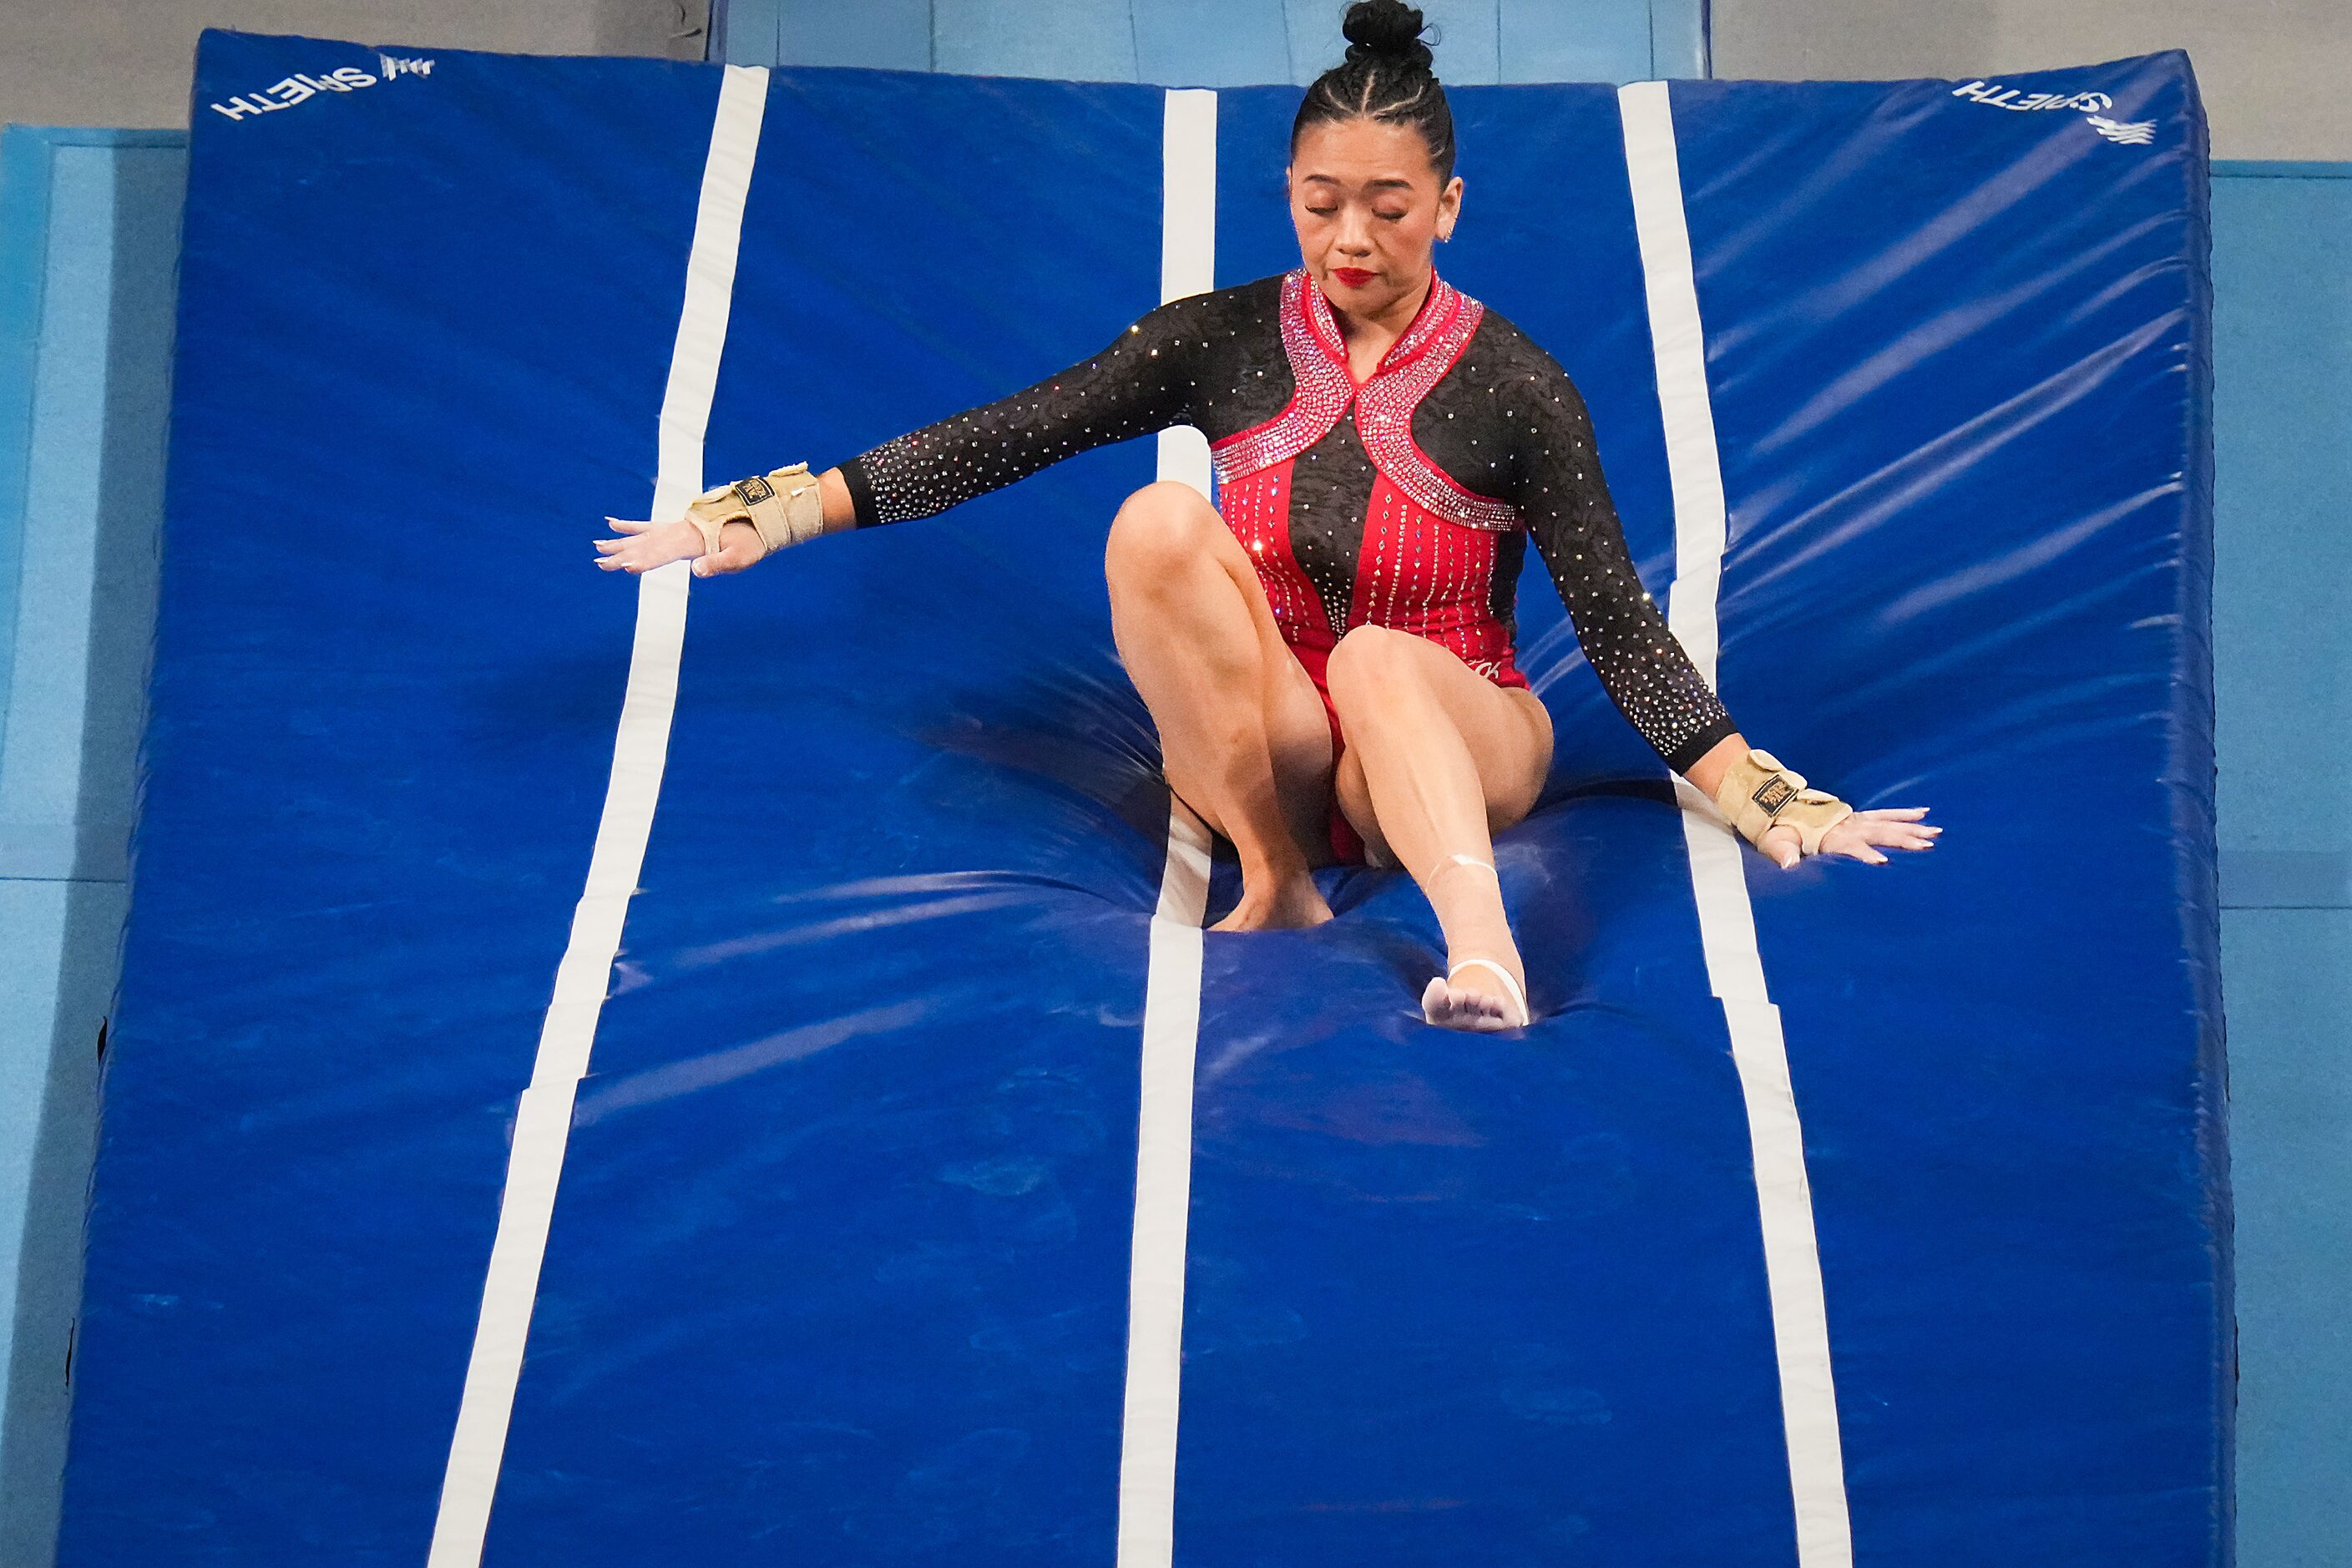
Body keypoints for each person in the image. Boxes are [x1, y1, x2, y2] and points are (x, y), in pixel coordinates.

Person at [596, 0, 1938, 1033]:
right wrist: (777, 511)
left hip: (1456, 719)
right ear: (1289, 194)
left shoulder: (1518, 384)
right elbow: (1013, 431)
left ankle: (1482, 944)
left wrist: (1770, 799)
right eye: (1319, 201)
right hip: (1278, 742)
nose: (1349, 236)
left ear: (1449, 208)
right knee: (1154, 523)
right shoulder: (1226, 339)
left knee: (1370, 657)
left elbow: (1617, 622)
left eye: (1388, 206)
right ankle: (1273, 872)